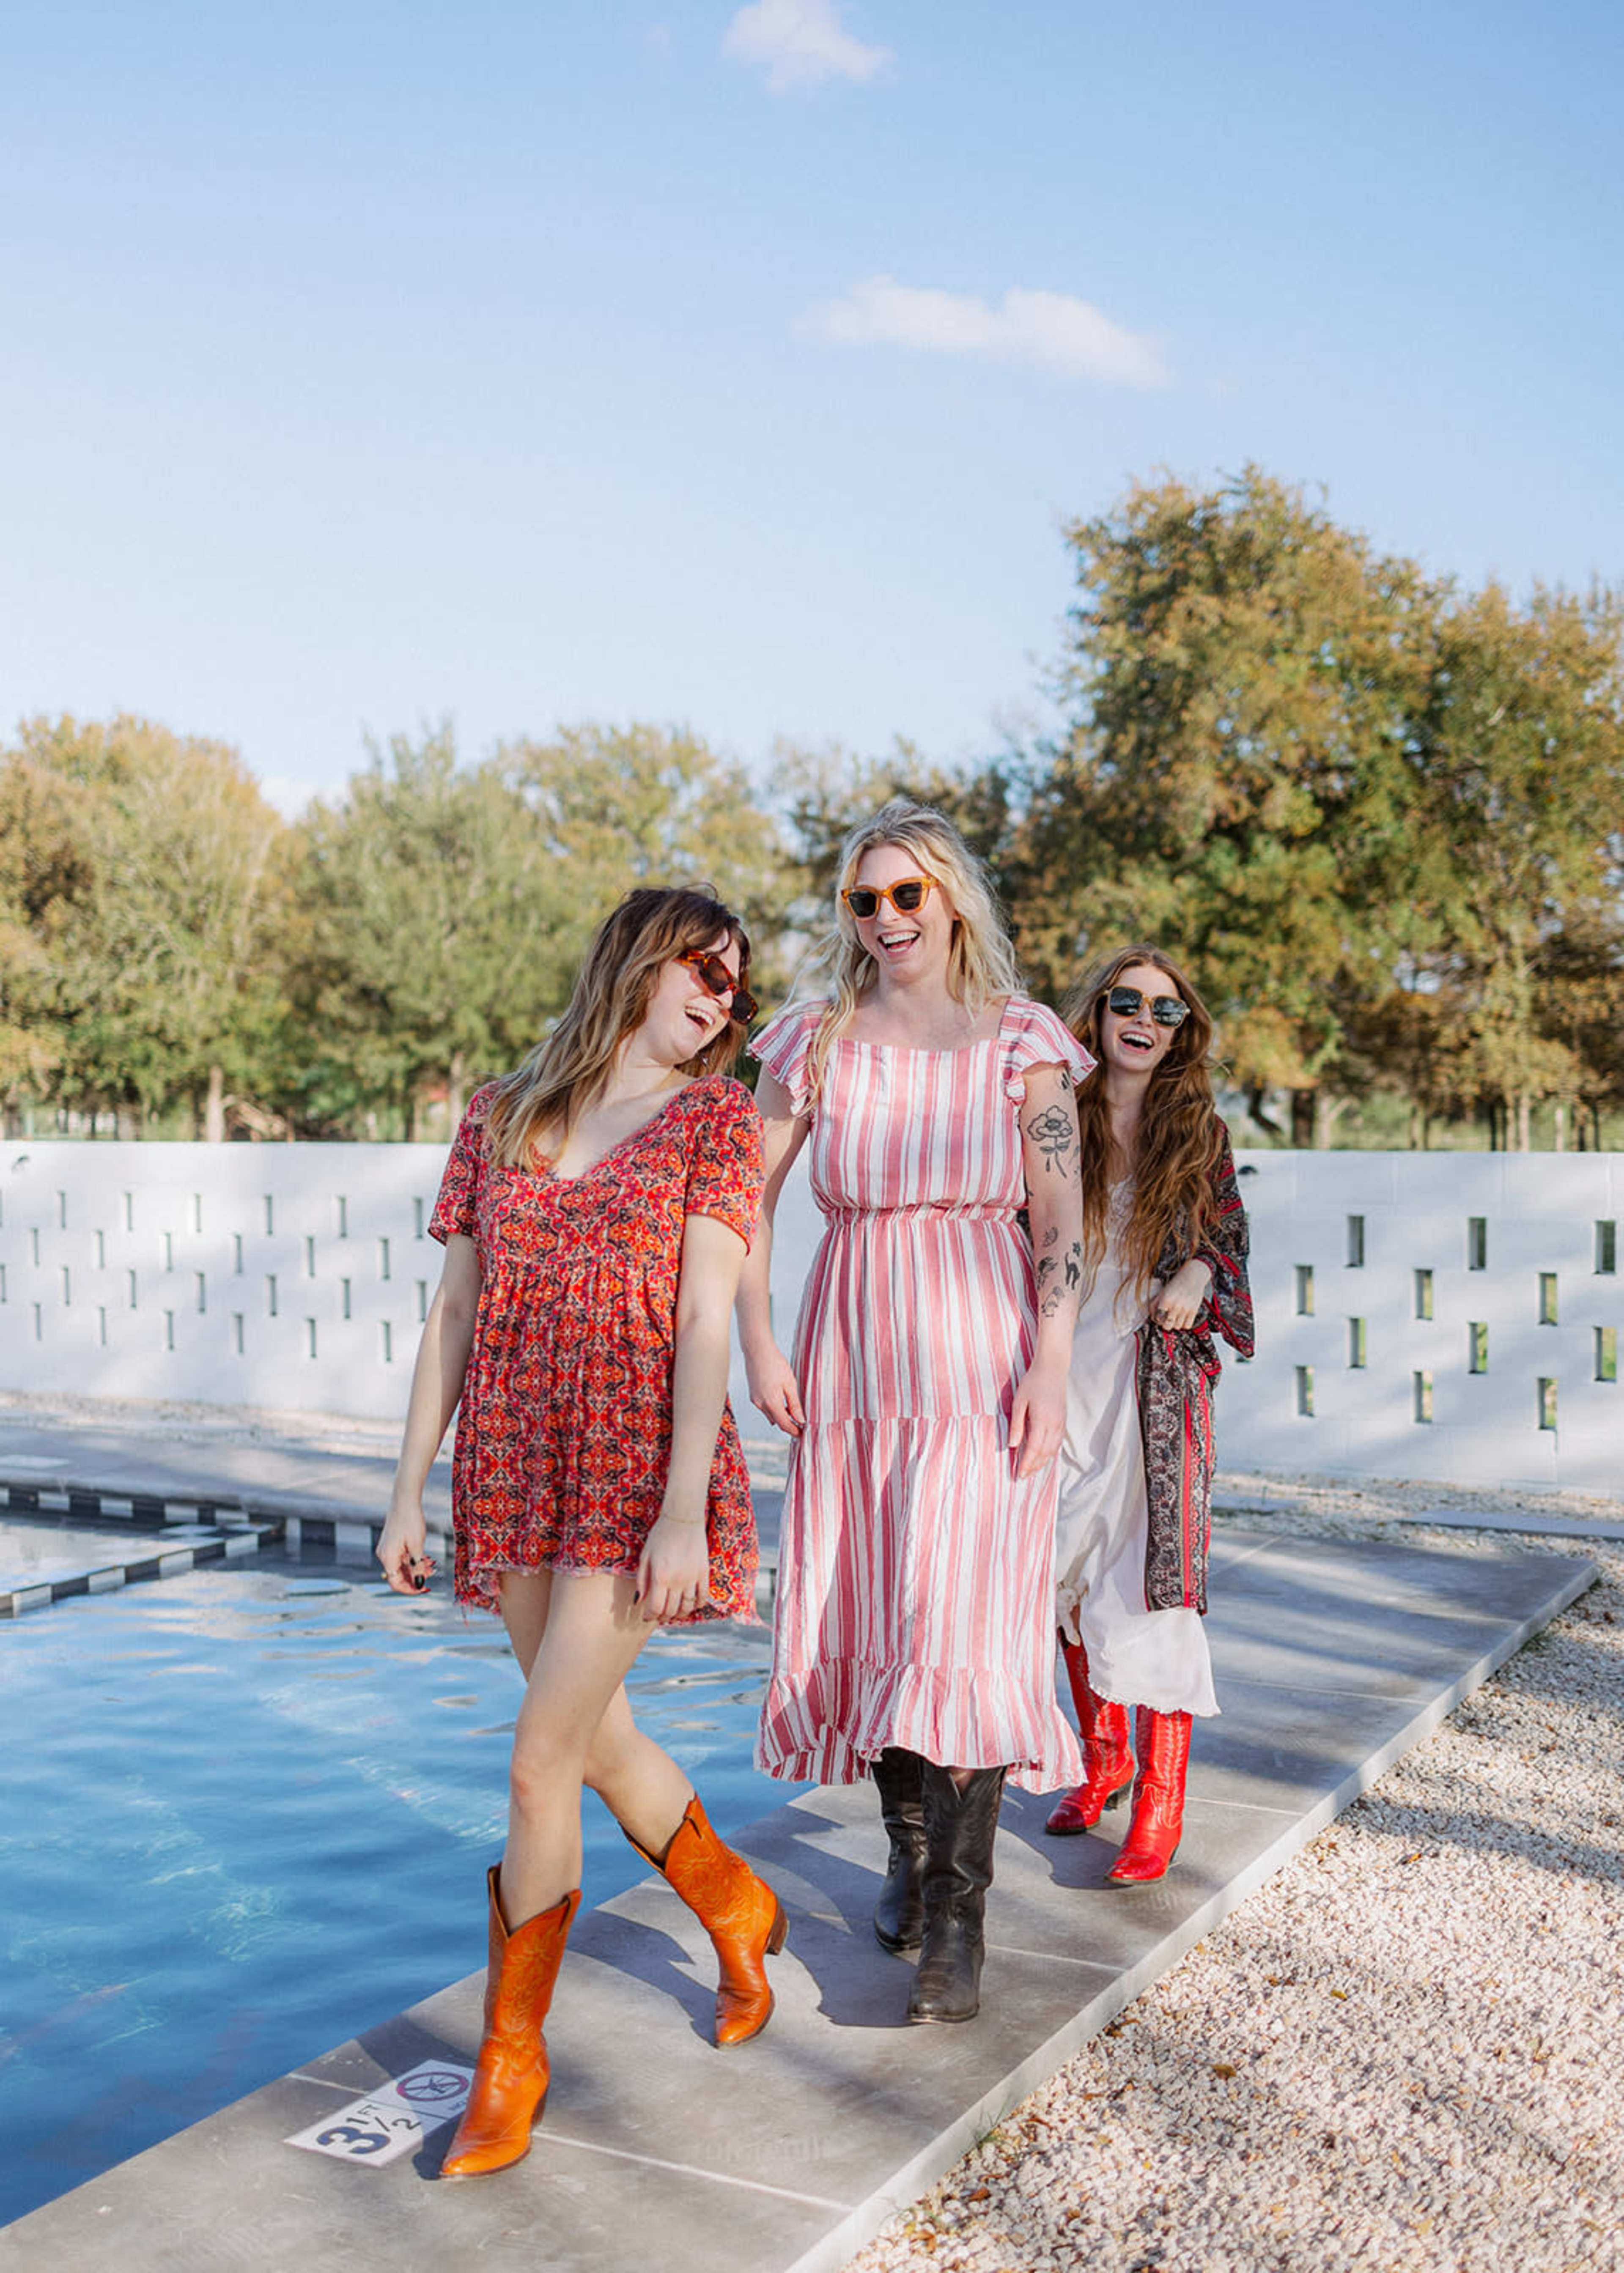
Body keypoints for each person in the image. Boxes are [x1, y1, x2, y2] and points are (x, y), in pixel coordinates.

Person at [376, 887, 785, 2181]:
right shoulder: (500, 1116)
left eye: (736, 986)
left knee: (538, 1764)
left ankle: (512, 2058)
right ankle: (734, 1898)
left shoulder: (716, 1119)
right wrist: (406, 1488)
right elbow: (452, 1317)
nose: (722, 999)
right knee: (597, 1743)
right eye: (704, 971)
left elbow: (709, 1320)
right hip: (513, 1467)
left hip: (630, 1477)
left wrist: (682, 1511)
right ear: (635, 960)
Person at [740, 800, 1089, 2026]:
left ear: (950, 901)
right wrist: (758, 1339)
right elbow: (743, 1205)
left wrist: (1051, 1364)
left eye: (906, 895)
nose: (885, 918)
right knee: (883, 1598)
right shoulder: (813, 1044)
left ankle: (959, 1914)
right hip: (854, 1362)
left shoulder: (1023, 1040)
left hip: (985, 1360)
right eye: (863, 900)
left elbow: (1059, 1217)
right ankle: (901, 1850)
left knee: (974, 1616)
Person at [1044, 944, 1253, 1884]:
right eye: (1126, 1002)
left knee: (1151, 1580)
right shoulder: (1052, 1115)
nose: (1143, 1020)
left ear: (1181, 1033)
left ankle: (1160, 1803)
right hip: (1058, 1369)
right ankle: (1105, 1763)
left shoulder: (1198, 1132)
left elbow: (1231, 1239)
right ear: (1096, 1013)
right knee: (1056, 1572)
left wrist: (1203, 1270)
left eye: (1164, 1012)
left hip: (1155, 1389)